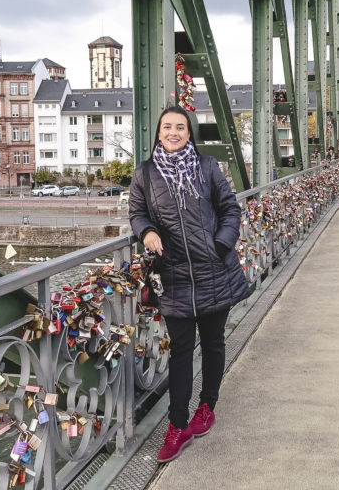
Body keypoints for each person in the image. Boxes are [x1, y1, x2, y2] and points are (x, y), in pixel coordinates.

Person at [129, 106, 251, 463]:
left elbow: (230, 209)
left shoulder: (207, 167)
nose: (173, 132)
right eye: (167, 127)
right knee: (181, 352)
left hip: (214, 271)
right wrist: (147, 231)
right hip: (175, 276)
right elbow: (136, 213)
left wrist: (220, 245)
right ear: (159, 132)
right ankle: (177, 426)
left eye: (180, 127)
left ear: (189, 133)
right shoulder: (145, 174)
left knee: (213, 343)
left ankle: (207, 406)